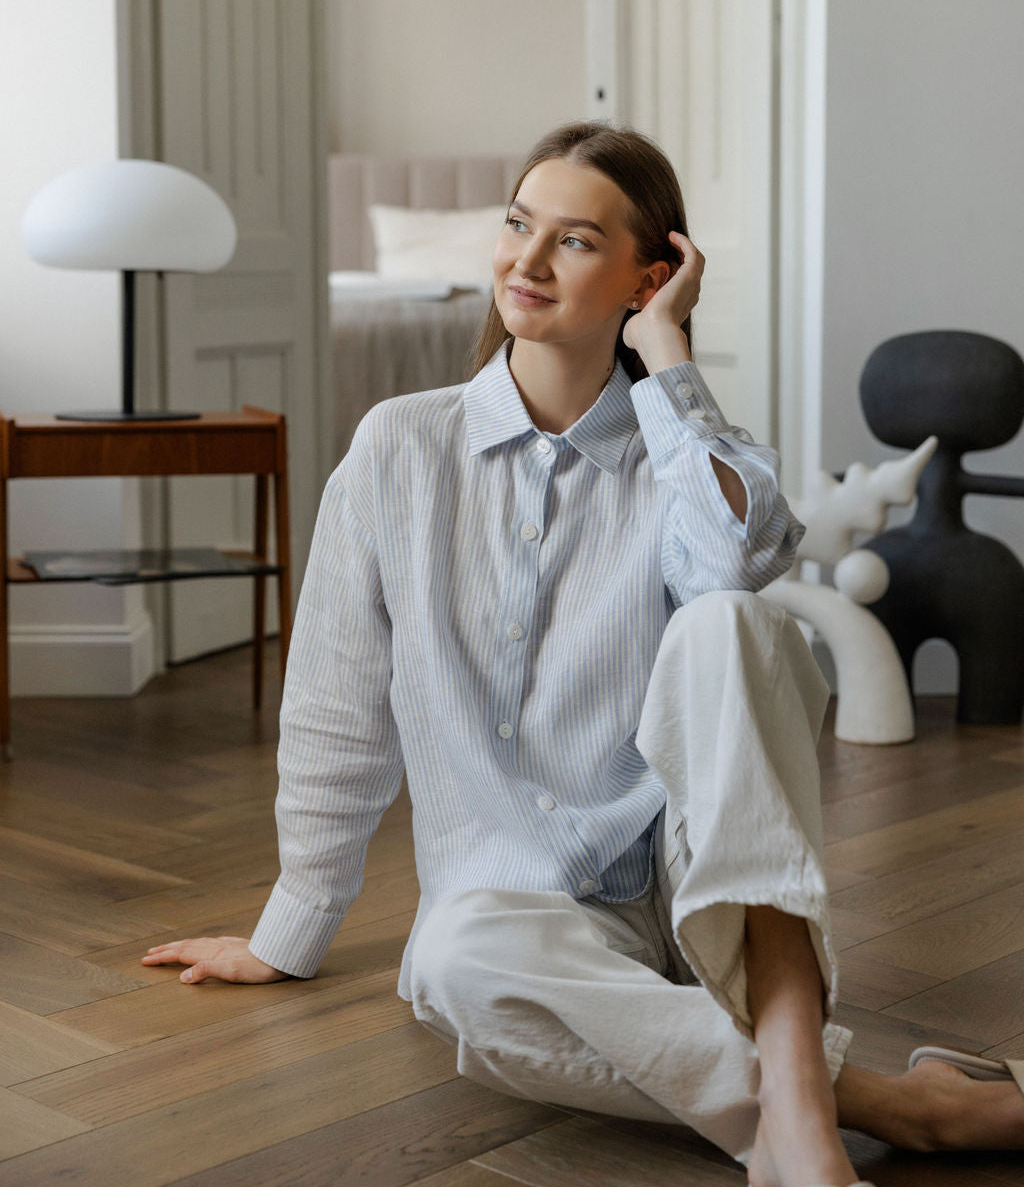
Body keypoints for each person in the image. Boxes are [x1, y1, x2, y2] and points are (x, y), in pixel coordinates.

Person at [144, 123, 1024, 1187]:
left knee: (733, 622)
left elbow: (740, 560)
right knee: (453, 965)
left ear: (649, 277)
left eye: (573, 240)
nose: (525, 260)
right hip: (515, 920)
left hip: (699, 896)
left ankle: (794, 1084)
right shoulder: (398, 447)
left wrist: (668, 354)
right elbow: (338, 703)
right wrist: (290, 929)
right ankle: (888, 1103)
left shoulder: (682, 454)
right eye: (519, 224)